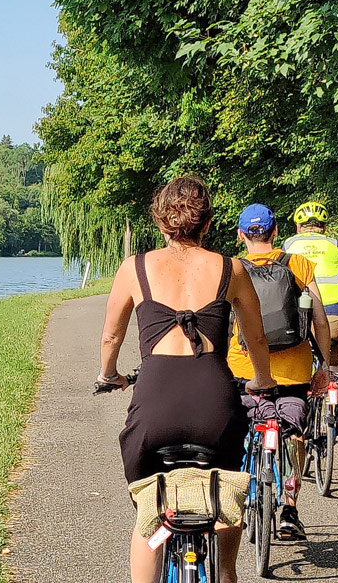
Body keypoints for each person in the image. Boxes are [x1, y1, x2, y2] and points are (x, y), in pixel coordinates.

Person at [98, 176, 276, 583]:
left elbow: (111, 335)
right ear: (208, 223)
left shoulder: (135, 267)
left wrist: (109, 375)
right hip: (214, 405)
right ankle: (226, 573)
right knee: (227, 485)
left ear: (160, 224)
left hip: (155, 406)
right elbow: (257, 337)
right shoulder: (231, 269)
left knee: (150, 508)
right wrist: (261, 381)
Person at [227, 203, 331, 541]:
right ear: (275, 234)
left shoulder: (231, 269)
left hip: (244, 370)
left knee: (237, 431)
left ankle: (238, 495)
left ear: (241, 235)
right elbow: (319, 320)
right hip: (293, 372)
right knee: (293, 433)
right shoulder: (298, 264)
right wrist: (326, 365)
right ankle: (289, 509)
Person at [283, 202, 338, 380]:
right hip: (334, 318)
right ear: (324, 227)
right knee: (336, 363)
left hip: (300, 321)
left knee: (299, 362)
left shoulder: (289, 245)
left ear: (298, 227)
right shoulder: (335, 244)